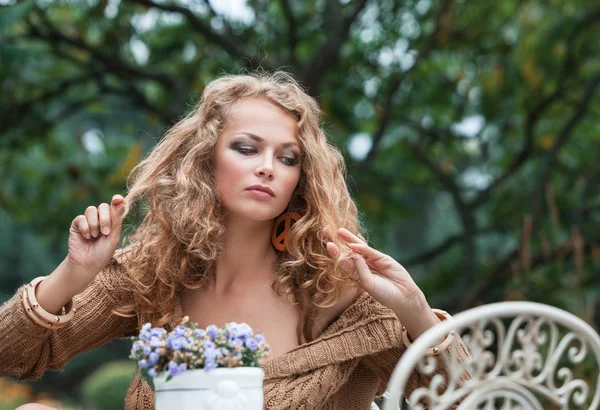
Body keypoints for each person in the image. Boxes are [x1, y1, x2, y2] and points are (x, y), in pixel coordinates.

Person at [1, 71, 465, 410]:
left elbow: (464, 399)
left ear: (300, 180)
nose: (267, 167)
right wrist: (74, 274)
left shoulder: (338, 285)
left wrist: (415, 312)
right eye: (247, 148)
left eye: (288, 159)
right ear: (205, 160)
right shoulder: (155, 272)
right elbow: (11, 356)